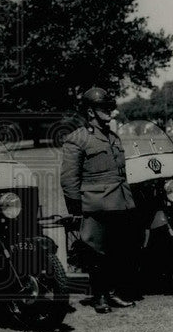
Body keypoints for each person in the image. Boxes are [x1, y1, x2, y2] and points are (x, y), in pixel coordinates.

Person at [60, 87, 139, 313]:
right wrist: (76, 209)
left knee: (118, 250)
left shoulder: (113, 137)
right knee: (96, 252)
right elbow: (69, 178)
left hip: (120, 201)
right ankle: (99, 296)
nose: (110, 112)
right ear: (90, 111)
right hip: (95, 204)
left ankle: (114, 293)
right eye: (104, 108)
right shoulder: (77, 139)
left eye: (110, 108)